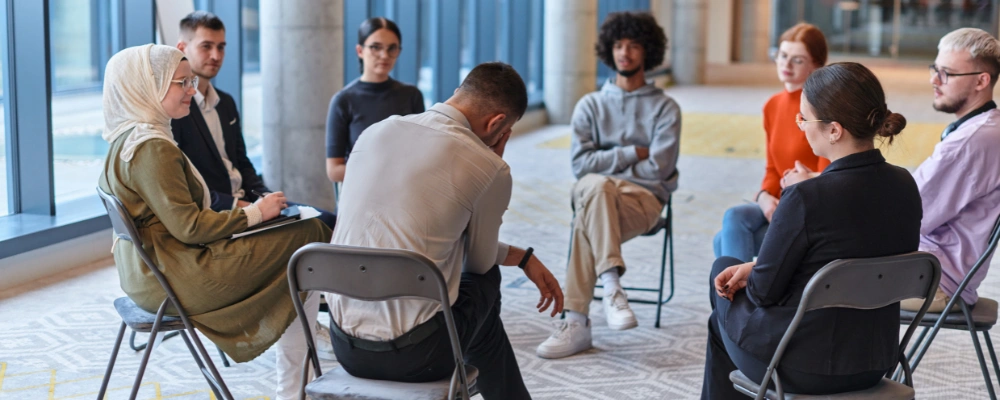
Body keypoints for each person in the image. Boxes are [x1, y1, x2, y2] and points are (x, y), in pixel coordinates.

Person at [97, 44, 332, 400]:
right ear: (147, 85)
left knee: (300, 245)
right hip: (175, 275)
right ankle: (306, 378)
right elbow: (191, 228)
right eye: (181, 82)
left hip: (147, 273)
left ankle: (301, 378)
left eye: (191, 80)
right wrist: (256, 213)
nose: (192, 89)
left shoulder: (124, 139)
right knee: (309, 237)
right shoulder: (152, 148)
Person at [325, 62, 563, 400]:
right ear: (497, 124)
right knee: (483, 283)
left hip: (345, 347)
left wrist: (522, 258)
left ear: (457, 94)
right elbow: (479, 264)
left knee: (472, 308)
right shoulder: (488, 167)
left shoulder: (375, 132)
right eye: (505, 131)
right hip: (417, 356)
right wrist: (493, 165)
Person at [701, 62, 921, 399]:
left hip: (802, 366)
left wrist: (754, 271)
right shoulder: (905, 185)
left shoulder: (806, 197)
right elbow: (862, 262)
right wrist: (755, 268)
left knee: (721, 278)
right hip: (876, 360)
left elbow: (762, 294)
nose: (800, 127)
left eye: (804, 119)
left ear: (834, 130)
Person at [535, 11, 680, 360]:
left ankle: (576, 322)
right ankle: (612, 286)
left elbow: (657, 169)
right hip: (596, 194)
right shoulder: (590, 105)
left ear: (648, 51)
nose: (624, 52)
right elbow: (579, 165)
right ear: (608, 50)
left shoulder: (665, 108)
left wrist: (607, 160)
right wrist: (633, 152)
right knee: (596, 188)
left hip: (642, 200)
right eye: (617, 45)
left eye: (632, 45)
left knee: (587, 211)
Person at [170, 11, 336, 229]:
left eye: (221, 47)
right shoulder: (177, 110)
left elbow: (242, 162)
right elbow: (186, 186)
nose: (216, 55)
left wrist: (265, 195)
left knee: (329, 220)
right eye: (206, 46)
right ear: (182, 48)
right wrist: (246, 206)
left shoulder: (226, 103)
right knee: (320, 227)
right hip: (221, 213)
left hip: (250, 201)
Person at [897, 28, 1000, 313]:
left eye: (947, 73)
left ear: (982, 81)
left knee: (816, 278)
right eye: (935, 69)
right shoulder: (988, 127)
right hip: (936, 268)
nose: (934, 80)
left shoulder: (969, 143)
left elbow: (906, 218)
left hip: (932, 280)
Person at [712, 23, 830, 263]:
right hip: (779, 205)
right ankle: (746, 298)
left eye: (797, 60)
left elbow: (827, 176)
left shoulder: (822, 108)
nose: (786, 65)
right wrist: (764, 196)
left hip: (810, 211)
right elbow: (772, 169)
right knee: (729, 227)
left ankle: (741, 299)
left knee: (725, 233)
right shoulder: (773, 105)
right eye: (783, 55)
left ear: (816, 65)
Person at [325, 17, 424, 183]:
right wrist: (384, 171)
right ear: (360, 51)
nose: (384, 55)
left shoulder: (411, 95)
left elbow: (422, 151)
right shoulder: (343, 100)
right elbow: (334, 170)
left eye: (392, 48)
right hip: (361, 192)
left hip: (405, 189)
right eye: (375, 47)